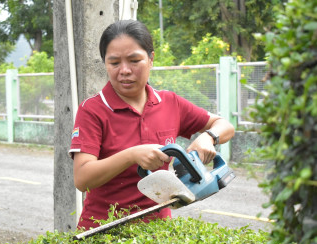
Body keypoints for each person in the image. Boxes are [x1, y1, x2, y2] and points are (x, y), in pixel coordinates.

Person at [69, 20, 235, 230]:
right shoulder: (92, 110)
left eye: (134, 60)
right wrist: (132, 155)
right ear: (105, 64)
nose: (125, 70)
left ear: (151, 59)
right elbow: (82, 179)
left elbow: (225, 125)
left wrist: (208, 137)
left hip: (157, 232)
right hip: (101, 231)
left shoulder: (170, 103)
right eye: (114, 63)